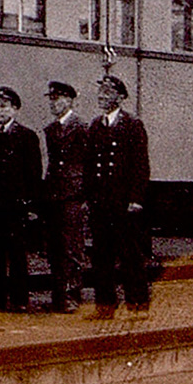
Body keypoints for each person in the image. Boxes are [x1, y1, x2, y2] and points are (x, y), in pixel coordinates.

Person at [84, 73, 152, 316]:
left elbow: (140, 165)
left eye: (108, 92)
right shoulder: (95, 126)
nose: (102, 96)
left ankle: (138, 302)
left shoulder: (132, 125)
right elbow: (89, 166)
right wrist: (89, 198)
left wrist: (136, 199)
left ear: (120, 97)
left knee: (130, 254)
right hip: (101, 203)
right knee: (101, 256)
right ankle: (105, 305)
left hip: (123, 203)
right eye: (100, 91)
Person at [0, 86, 41, 312]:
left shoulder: (26, 136)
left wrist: (31, 204)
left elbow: (34, 173)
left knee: (17, 254)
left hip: (16, 205)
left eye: (4, 106)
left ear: (15, 109)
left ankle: (20, 300)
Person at [42, 80, 89, 313]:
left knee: (72, 247)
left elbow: (88, 162)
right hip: (54, 194)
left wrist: (86, 196)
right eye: (51, 99)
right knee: (55, 248)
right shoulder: (51, 130)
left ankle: (72, 295)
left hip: (73, 194)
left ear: (69, 100)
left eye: (58, 99)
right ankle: (58, 295)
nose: (54, 103)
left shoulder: (80, 128)